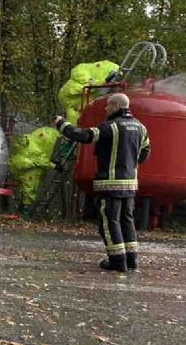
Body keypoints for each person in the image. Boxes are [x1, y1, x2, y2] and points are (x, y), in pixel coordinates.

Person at [54, 93, 150, 272]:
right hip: (130, 184)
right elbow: (145, 153)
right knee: (126, 220)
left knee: (109, 221)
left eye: (108, 106)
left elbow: (84, 135)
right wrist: (128, 163)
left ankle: (117, 261)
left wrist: (62, 124)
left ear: (116, 106)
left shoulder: (111, 127)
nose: (106, 109)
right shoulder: (141, 127)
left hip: (110, 184)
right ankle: (131, 261)